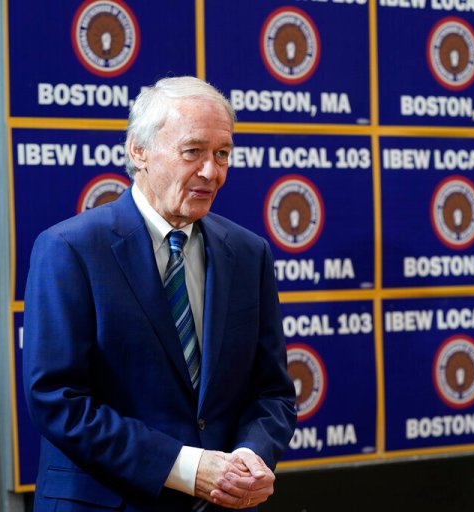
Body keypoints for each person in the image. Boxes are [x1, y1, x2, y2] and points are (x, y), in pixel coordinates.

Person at [23, 76, 297, 511]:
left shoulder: (248, 253)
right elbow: (57, 400)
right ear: (139, 151)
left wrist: (248, 458)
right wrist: (188, 468)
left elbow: (272, 391)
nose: (212, 171)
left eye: (222, 153)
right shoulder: (70, 249)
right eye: (194, 152)